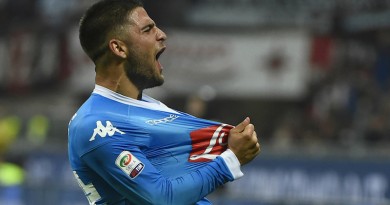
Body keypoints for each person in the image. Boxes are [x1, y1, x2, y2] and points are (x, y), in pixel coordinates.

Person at [67, 0, 261, 204]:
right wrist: (230, 160)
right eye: (148, 29)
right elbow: (161, 199)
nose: (161, 34)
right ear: (119, 48)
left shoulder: (149, 107)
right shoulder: (96, 126)